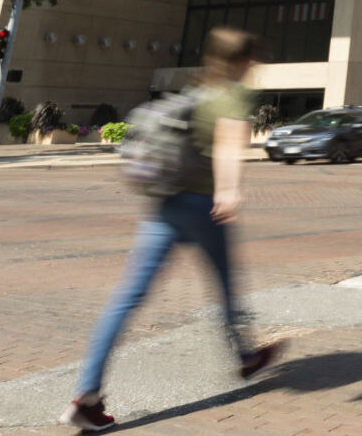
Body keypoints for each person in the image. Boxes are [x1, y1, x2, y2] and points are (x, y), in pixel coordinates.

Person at [61, 27, 285, 431]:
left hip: (164, 203)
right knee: (227, 286)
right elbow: (229, 144)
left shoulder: (195, 90)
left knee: (126, 299)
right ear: (242, 61)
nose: (255, 67)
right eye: (253, 60)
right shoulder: (231, 93)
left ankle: (87, 395)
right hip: (202, 206)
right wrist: (229, 191)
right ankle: (246, 357)